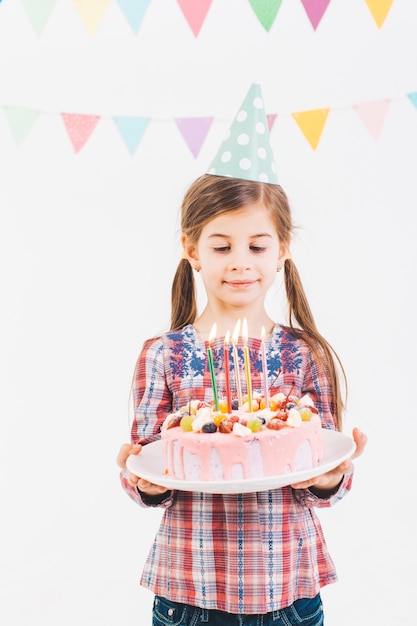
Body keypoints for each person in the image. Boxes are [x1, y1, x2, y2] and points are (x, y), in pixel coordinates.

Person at [117, 85, 367, 626]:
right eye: (221, 245)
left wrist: (331, 476)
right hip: (189, 587)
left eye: (257, 245)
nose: (240, 262)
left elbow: (328, 478)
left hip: (286, 587)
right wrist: (145, 482)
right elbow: (145, 467)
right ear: (191, 248)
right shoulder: (161, 355)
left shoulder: (304, 356)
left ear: (282, 250)